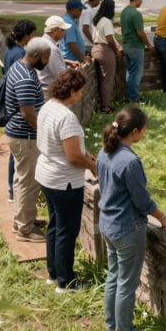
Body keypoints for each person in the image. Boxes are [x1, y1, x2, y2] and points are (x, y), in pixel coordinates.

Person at [97, 107, 166, 331]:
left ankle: (111, 326)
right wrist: (162, 217)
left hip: (107, 223)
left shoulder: (104, 151)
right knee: (127, 284)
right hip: (127, 228)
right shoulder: (129, 161)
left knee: (114, 274)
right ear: (137, 132)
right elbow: (142, 201)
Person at [35, 69, 97, 292]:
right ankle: (66, 281)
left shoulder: (48, 107)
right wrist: (92, 165)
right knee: (67, 231)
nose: (81, 95)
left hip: (46, 174)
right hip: (64, 182)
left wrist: (87, 155)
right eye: (79, 92)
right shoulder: (66, 117)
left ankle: (54, 272)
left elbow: (72, 148)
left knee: (54, 226)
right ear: (70, 91)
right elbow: (72, 157)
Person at [4, 37, 52, 242]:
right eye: (46, 57)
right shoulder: (24, 77)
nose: (47, 61)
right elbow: (28, 113)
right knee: (28, 181)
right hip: (26, 136)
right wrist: (43, 133)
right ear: (35, 56)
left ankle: (22, 218)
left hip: (20, 135)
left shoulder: (19, 66)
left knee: (20, 178)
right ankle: (25, 229)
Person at [3, 20, 37, 202]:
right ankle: (12, 190)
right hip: (19, 108)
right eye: (31, 35)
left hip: (11, 105)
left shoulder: (9, 50)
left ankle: (12, 189)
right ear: (26, 36)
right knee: (18, 156)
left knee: (14, 154)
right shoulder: (21, 55)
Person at [120, 0, 153, 103]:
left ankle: (129, 96)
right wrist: (148, 44)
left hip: (126, 45)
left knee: (130, 72)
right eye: (141, 0)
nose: (141, 2)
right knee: (136, 73)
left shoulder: (124, 12)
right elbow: (140, 32)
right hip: (136, 46)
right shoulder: (136, 14)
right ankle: (134, 97)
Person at [91, 0, 122, 115]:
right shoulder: (107, 21)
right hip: (105, 50)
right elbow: (109, 39)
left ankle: (102, 103)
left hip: (95, 48)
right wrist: (116, 51)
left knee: (100, 79)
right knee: (107, 80)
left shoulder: (96, 20)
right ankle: (105, 107)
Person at [38, 15, 74, 92]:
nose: (64, 33)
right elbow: (61, 75)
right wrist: (75, 72)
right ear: (55, 30)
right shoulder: (51, 49)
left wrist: (66, 62)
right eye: (63, 30)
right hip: (48, 90)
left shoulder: (42, 41)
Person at [60, 0, 90, 65]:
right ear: (73, 9)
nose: (81, 12)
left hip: (72, 59)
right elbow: (71, 44)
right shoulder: (69, 23)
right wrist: (83, 58)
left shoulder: (69, 20)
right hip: (71, 61)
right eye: (79, 10)